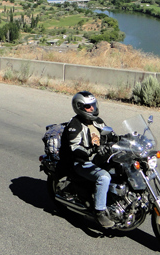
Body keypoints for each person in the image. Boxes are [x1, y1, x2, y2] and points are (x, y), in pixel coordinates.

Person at [59, 91, 114, 228]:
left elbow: (112, 136)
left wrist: (127, 139)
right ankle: (100, 212)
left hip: (98, 159)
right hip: (82, 162)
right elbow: (75, 148)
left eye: (93, 105)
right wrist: (94, 150)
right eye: (88, 107)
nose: (92, 109)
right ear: (79, 107)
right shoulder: (75, 125)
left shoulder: (98, 121)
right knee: (104, 177)